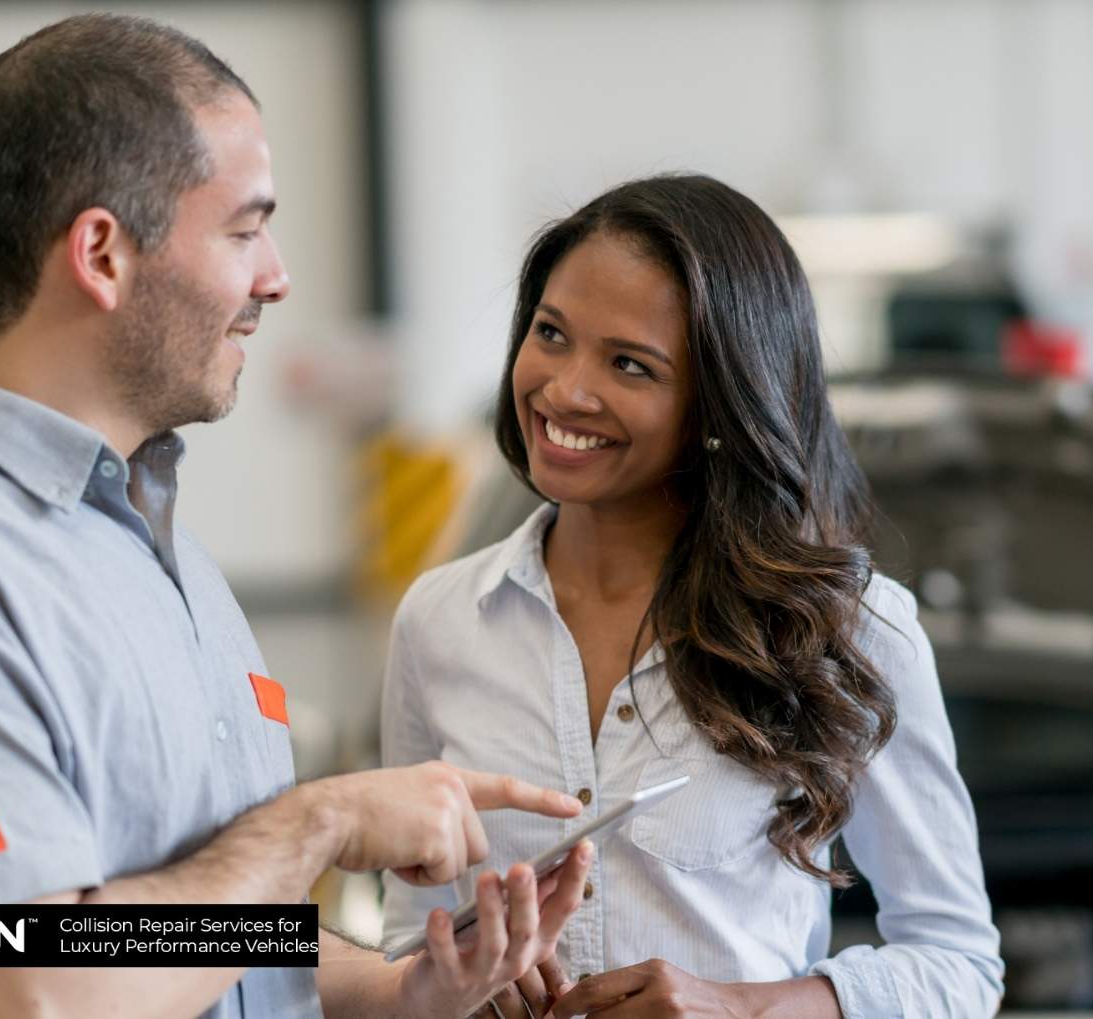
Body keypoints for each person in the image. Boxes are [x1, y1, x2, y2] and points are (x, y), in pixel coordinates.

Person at [0, 14, 590, 1019]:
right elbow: (37, 981)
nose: (275, 276)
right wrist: (316, 824)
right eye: (243, 229)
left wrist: (410, 988)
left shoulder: (162, 562)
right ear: (101, 253)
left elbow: (213, 924)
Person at [379, 174, 1005, 1018]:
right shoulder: (439, 620)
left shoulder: (847, 630)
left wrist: (744, 1007)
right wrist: (449, 981)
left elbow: (959, 964)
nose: (565, 390)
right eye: (551, 334)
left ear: (718, 401)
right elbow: (406, 946)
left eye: (630, 364)